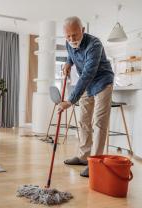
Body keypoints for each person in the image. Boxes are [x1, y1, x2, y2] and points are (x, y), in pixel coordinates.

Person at [58, 16, 114, 177]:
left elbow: (88, 73)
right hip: (87, 84)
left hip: (102, 82)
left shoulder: (94, 44)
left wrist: (70, 100)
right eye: (67, 36)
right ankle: (83, 157)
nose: (71, 39)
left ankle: (95, 163)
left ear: (82, 30)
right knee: (83, 120)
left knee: (99, 122)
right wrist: (68, 63)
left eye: (74, 35)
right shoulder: (69, 43)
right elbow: (71, 53)